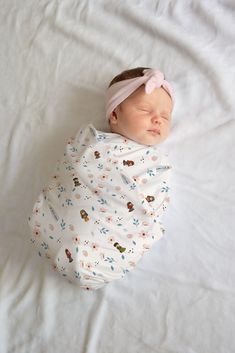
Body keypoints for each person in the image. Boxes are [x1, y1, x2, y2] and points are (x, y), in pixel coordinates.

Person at [28, 67, 174, 290]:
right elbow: (70, 172)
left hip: (111, 247)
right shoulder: (90, 143)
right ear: (114, 114)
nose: (158, 120)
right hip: (54, 231)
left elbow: (156, 202)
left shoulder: (156, 163)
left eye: (166, 116)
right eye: (145, 110)